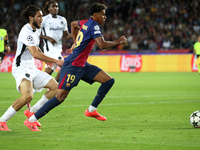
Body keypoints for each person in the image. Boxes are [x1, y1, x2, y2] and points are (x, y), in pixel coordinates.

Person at [24, 2, 127, 131]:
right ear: (95, 15)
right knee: (60, 97)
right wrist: (118, 42)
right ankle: (31, 120)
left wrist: (75, 43)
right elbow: (101, 44)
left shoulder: (85, 22)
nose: (105, 17)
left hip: (82, 65)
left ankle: (91, 110)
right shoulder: (94, 25)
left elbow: (73, 24)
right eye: (103, 14)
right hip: (73, 66)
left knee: (108, 81)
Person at [0, 5, 64, 131]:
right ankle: (2, 121)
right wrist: (55, 60)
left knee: (55, 87)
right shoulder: (26, 31)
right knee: (27, 96)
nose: (41, 19)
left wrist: (47, 60)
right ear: (31, 18)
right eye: (39, 16)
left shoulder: (37, 29)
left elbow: (36, 48)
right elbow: (34, 53)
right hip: (21, 68)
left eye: (41, 16)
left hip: (32, 67)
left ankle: (32, 111)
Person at [40, 0, 71, 82]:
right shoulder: (44, 19)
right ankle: (55, 85)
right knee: (65, 65)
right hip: (49, 49)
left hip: (58, 49)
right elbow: (36, 33)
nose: (55, 8)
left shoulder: (62, 20)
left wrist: (76, 33)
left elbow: (66, 35)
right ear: (49, 9)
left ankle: (35, 88)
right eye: (53, 7)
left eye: (56, 6)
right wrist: (48, 38)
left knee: (48, 72)